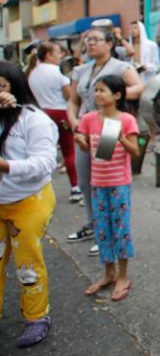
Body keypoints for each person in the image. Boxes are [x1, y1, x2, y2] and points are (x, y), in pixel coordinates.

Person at [65, 29, 143, 256]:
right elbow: (72, 100)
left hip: (109, 126)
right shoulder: (81, 70)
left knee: (109, 175)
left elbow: (138, 89)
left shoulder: (120, 67)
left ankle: (111, 233)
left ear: (109, 44)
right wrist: (74, 120)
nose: (90, 43)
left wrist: (112, 97)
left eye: (96, 39)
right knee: (87, 178)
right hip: (85, 124)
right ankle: (94, 225)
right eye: (88, 40)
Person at [0, 62, 58, 348]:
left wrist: (7, 166)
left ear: (16, 87)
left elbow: (45, 163)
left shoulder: (33, 119)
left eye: (2, 86)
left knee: (27, 262)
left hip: (29, 200)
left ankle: (37, 317)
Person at [76, 75, 140, 302]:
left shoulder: (126, 119)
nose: (97, 94)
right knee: (102, 228)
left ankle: (123, 275)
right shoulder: (89, 119)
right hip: (98, 183)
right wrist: (80, 141)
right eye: (96, 90)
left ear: (117, 95)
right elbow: (86, 147)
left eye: (102, 90)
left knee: (120, 228)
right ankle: (108, 273)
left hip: (119, 183)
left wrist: (122, 139)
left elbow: (136, 152)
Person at [28, 42, 80, 202]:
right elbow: (68, 96)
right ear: (49, 55)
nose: (61, 56)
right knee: (69, 150)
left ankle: (41, 190)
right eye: (58, 52)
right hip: (60, 113)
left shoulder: (32, 73)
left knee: (43, 151)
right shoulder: (57, 72)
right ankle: (75, 187)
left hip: (41, 113)